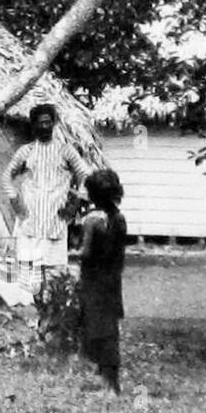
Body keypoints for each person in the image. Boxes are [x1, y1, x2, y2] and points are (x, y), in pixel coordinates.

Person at [3, 103, 93, 292]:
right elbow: (7, 176)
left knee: (54, 274)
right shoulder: (26, 151)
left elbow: (85, 174)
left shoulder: (65, 150)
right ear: (34, 125)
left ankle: (52, 314)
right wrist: (15, 201)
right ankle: (35, 313)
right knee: (30, 276)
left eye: (48, 122)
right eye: (40, 123)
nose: (44, 127)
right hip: (31, 217)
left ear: (54, 123)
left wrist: (76, 201)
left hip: (55, 218)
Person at [79, 169, 128, 395]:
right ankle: (108, 379)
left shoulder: (92, 221)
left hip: (94, 279)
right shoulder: (119, 219)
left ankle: (109, 385)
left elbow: (87, 253)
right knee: (110, 329)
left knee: (96, 328)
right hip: (112, 279)